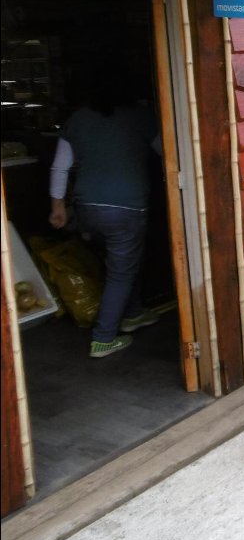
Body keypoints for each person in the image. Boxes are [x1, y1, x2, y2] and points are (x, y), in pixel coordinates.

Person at [49, 68, 162, 359]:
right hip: (127, 208)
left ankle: (134, 312)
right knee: (121, 271)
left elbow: (60, 167)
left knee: (120, 263)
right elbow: (170, 153)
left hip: (87, 209)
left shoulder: (78, 119)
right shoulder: (140, 118)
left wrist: (58, 207)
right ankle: (103, 338)